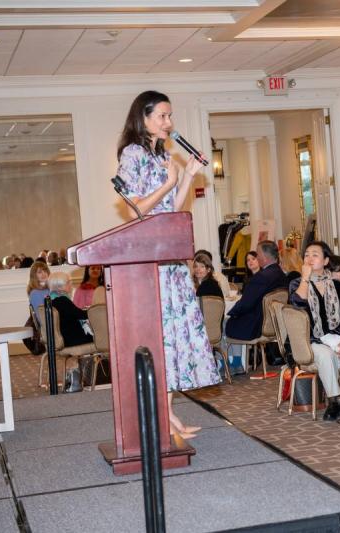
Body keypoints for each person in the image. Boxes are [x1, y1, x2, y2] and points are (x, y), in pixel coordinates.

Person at [116, 90, 220, 438]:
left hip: (170, 257)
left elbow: (172, 209)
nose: (169, 122)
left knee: (173, 337)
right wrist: (171, 182)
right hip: (151, 259)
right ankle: (163, 415)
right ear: (143, 118)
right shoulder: (132, 154)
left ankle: (168, 412)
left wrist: (187, 175)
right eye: (162, 116)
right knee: (159, 335)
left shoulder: (162, 154)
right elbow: (136, 208)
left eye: (170, 115)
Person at [289, 241, 340, 421]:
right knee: (326, 354)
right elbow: (297, 303)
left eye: (315, 254)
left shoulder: (336, 285)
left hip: (336, 336)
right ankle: (333, 401)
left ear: (325, 261)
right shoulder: (296, 283)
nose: (309, 258)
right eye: (306, 255)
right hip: (309, 340)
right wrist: (305, 278)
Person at [226, 240, 289, 342]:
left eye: (257, 254)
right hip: (276, 324)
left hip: (256, 327)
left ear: (264, 256)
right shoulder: (281, 274)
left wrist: (231, 312)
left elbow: (245, 304)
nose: (257, 257)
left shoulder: (261, 277)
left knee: (225, 324)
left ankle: (231, 355)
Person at [47, 272, 94, 347]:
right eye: (68, 282)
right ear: (60, 286)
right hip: (73, 339)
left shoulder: (51, 300)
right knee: (101, 335)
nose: (71, 284)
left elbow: (74, 313)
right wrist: (94, 310)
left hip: (65, 338)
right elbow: (81, 315)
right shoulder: (62, 300)